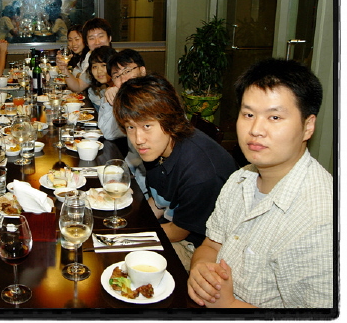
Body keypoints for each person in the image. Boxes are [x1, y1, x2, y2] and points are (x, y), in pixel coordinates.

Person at [188, 58, 333, 308]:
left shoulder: (320, 220)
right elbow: (211, 244)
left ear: (308, 126)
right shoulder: (241, 178)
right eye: (248, 114)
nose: (255, 129)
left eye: (274, 117)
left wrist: (229, 306)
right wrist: (201, 267)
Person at [114, 74, 238, 270]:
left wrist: (130, 237)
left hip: (198, 248)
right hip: (171, 223)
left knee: (121, 261)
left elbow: (178, 232)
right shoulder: (157, 147)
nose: (138, 139)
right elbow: (158, 201)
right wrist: (130, 225)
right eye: (130, 127)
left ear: (169, 119)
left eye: (147, 126)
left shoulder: (200, 173)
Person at [56, 18, 113, 93]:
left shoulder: (117, 60)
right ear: (86, 43)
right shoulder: (91, 58)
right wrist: (64, 69)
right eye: (92, 38)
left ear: (109, 38)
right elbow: (78, 87)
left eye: (101, 36)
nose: (97, 42)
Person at [85, 45, 117, 113]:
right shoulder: (104, 88)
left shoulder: (118, 90)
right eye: (95, 67)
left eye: (103, 65)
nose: (99, 71)